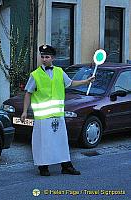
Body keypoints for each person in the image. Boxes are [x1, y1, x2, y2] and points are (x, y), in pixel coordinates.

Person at [21, 44, 95, 176]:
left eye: (47, 57)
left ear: (52, 58)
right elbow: (28, 93)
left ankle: (66, 166)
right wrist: (25, 111)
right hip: (43, 117)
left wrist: (86, 81)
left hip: (57, 115)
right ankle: (43, 167)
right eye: (42, 57)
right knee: (43, 143)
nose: (44, 59)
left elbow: (70, 83)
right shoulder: (35, 75)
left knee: (61, 142)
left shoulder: (60, 72)